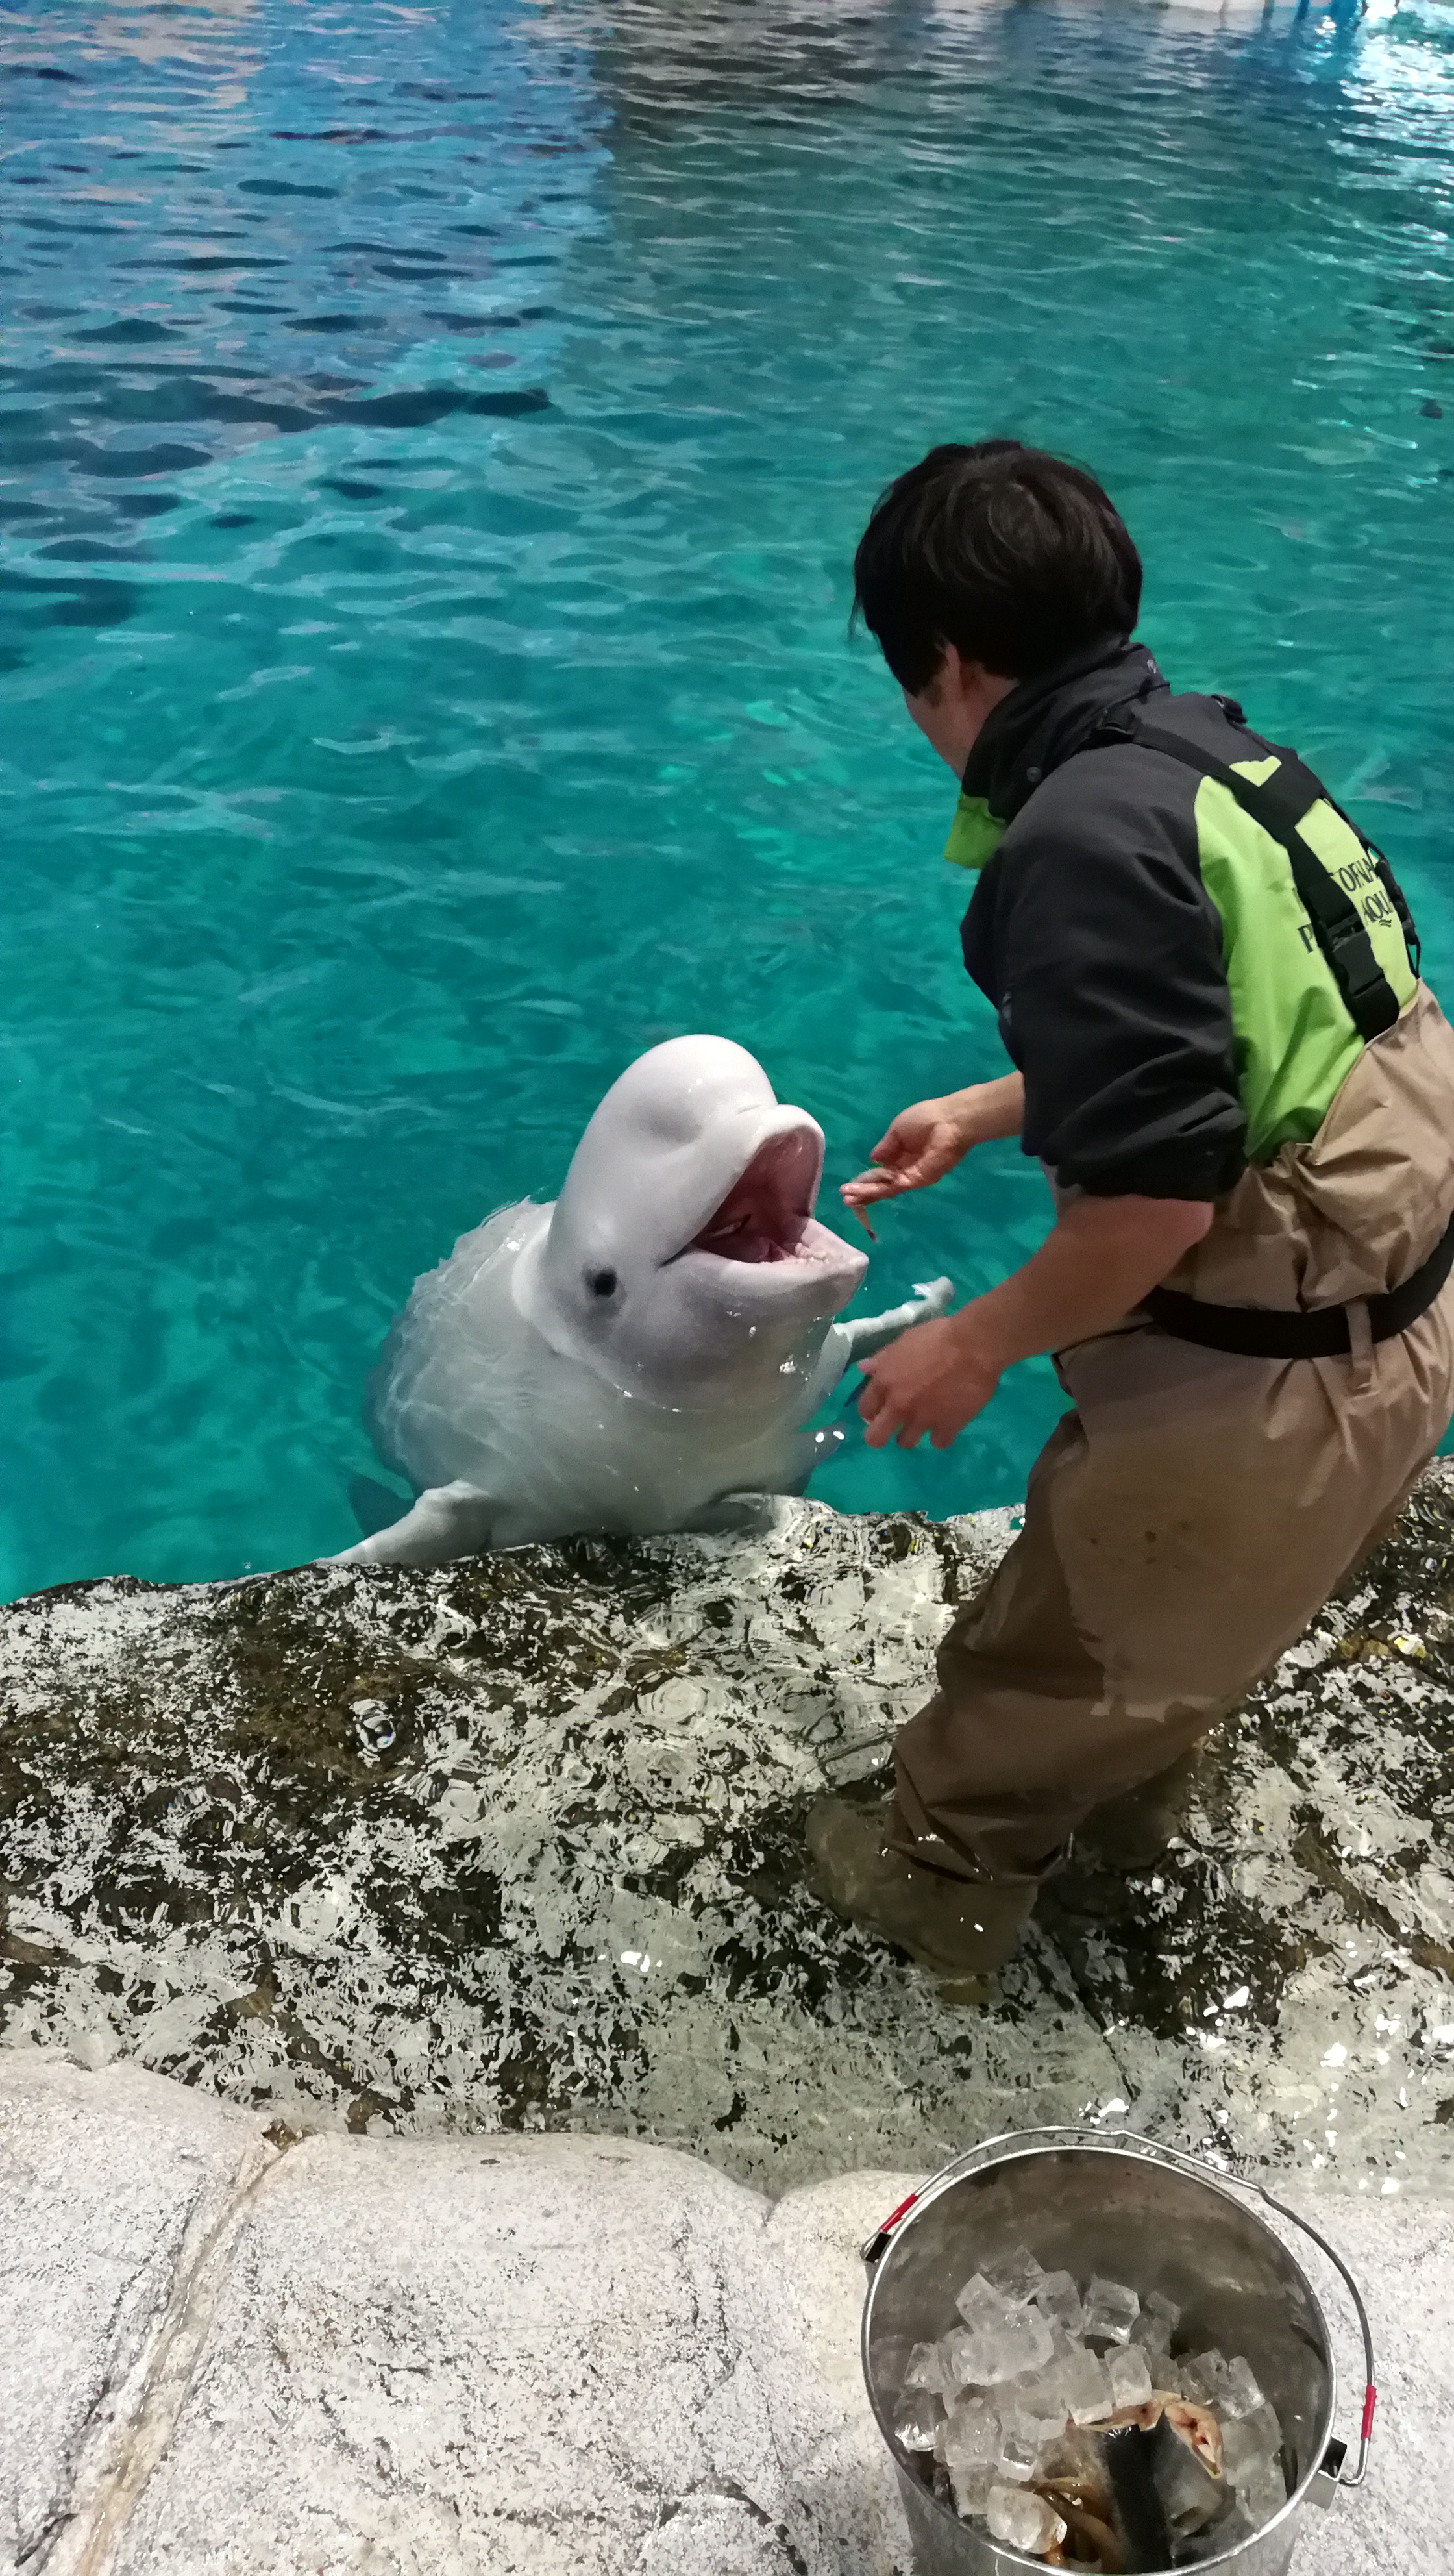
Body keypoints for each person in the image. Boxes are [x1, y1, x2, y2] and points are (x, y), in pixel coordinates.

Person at [806, 439, 1454, 1981]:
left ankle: (934, 1906)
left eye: (909, 681)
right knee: (1178, 1639)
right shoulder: (1221, 762)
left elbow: (1153, 1210)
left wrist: (968, 1344)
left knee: (1039, 1663)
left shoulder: (1082, 835)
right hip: (1404, 1311)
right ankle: (1122, 1826)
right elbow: (1269, 1037)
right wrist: (992, 1102)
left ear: (948, 663)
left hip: (1281, 1364)